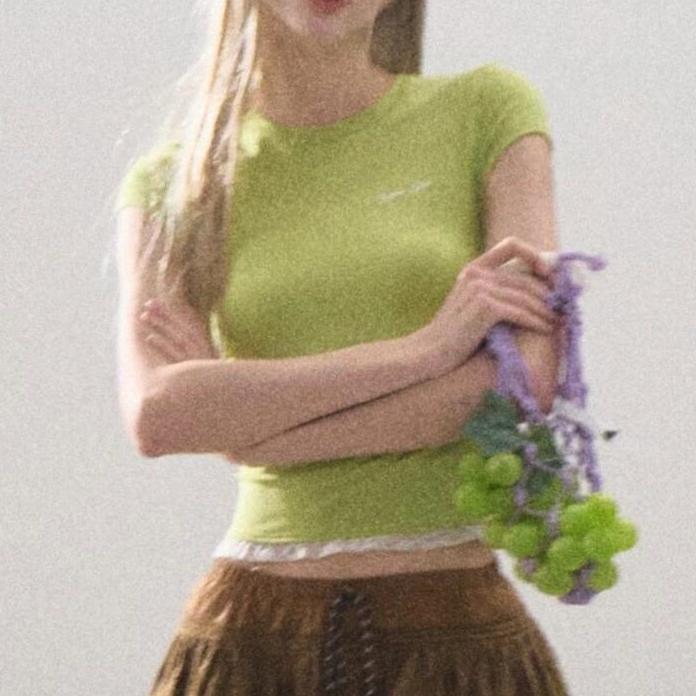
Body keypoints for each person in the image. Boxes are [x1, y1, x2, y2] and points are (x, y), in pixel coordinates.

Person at [113, 0, 571, 693]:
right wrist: (427, 350)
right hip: (247, 637)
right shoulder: (172, 183)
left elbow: (521, 382)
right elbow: (160, 415)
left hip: (458, 634)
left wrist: (255, 436)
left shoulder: (488, 110)